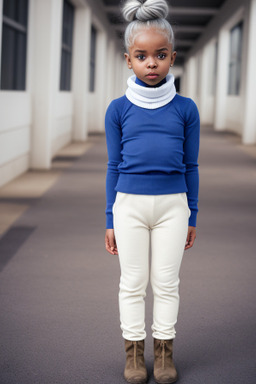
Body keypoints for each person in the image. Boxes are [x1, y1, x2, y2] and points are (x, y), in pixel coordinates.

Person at [104, 0, 200, 383]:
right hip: (128, 206)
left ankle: (163, 354)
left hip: (173, 208)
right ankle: (133, 354)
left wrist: (193, 214)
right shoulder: (117, 110)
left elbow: (191, 166)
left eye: (160, 55)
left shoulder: (185, 109)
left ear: (172, 57)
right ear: (129, 60)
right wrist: (109, 219)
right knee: (132, 282)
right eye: (141, 56)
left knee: (166, 283)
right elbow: (113, 167)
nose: (151, 63)